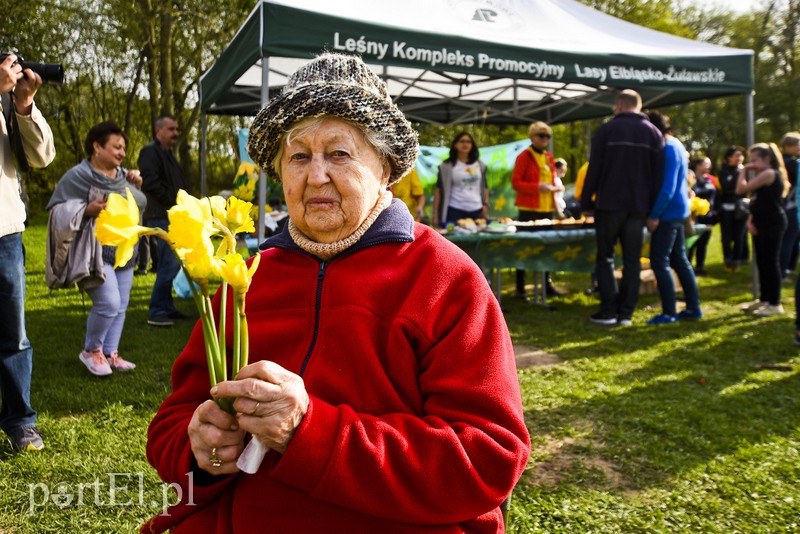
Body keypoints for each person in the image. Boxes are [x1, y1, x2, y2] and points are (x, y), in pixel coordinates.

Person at [142, 53, 530, 533]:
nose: (316, 175)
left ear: (385, 168)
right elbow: (172, 423)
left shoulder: (444, 278)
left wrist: (310, 432)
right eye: (299, 156)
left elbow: (487, 457)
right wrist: (197, 447)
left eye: (339, 154)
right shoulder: (244, 279)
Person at [47, 121, 145, 376]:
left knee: (121, 305)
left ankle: (110, 354)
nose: (122, 153)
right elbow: (56, 210)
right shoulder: (78, 176)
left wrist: (135, 186)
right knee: (109, 303)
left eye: (123, 148)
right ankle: (91, 351)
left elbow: (139, 206)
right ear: (97, 147)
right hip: (95, 253)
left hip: (125, 251)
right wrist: (86, 210)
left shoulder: (124, 176)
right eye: (116, 147)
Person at [0, 53, 55, 452]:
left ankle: (20, 422)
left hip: (4, 231)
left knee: (13, 334)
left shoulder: (7, 100)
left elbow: (41, 157)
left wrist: (22, 105)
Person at [580, 89, 664, 326]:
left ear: (619, 104)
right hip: (638, 208)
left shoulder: (607, 129)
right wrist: (653, 209)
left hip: (609, 205)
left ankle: (608, 311)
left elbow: (593, 169)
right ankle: (626, 313)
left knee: (605, 257)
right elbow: (658, 176)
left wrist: (586, 202)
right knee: (632, 260)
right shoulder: (654, 133)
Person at [644, 112, 702, 324]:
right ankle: (694, 307)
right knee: (680, 260)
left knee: (660, 261)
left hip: (667, 213)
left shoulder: (667, 149)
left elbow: (667, 188)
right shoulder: (677, 145)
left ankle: (669, 312)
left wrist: (654, 215)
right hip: (680, 210)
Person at [139, 115, 190, 326]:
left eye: (177, 129)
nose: (176, 133)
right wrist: (173, 201)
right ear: (158, 131)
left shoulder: (168, 154)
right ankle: (157, 310)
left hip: (172, 214)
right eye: (171, 129)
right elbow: (150, 182)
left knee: (172, 263)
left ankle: (166, 307)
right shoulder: (150, 152)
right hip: (161, 214)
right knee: (168, 265)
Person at [511, 121, 563, 299]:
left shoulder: (548, 156)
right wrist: (537, 187)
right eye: (541, 135)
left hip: (547, 209)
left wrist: (556, 190)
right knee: (525, 247)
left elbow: (553, 180)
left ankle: (546, 283)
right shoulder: (524, 156)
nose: (545, 139)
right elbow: (516, 183)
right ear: (532, 136)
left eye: (548, 136)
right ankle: (521, 287)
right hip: (528, 210)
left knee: (546, 247)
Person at [737, 143, 790, 317]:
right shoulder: (762, 174)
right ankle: (765, 299)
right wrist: (751, 220)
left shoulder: (769, 173)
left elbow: (741, 189)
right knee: (761, 261)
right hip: (761, 222)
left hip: (773, 222)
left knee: (770, 262)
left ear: (766, 159)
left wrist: (743, 170)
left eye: (754, 160)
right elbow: (756, 201)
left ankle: (775, 303)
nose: (751, 163)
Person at [432, 131, 488, 227]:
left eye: (468, 141)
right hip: (454, 210)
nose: (465, 144)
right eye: (462, 141)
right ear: (455, 145)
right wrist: (435, 214)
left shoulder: (480, 165)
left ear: (472, 145)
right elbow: (438, 190)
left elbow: (485, 187)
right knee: (454, 241)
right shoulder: (446, 166)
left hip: (477, 210)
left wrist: (486, 205)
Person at [716, 145, 749, 271]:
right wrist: (739, 176)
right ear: (729, 157)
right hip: (726, 208)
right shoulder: (723, 172)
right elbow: (727, 186)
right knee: (726, 236)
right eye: (736, 155)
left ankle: (737, 260)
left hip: (740, 208)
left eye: (741, 155)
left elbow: (745, 188)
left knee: (740, 235)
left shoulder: (745, 171)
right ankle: (728, 259)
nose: (739, 158)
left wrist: (742, 173)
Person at [687, 157, 718, 276]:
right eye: (706, 164)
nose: (708, 167)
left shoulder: (709, 180)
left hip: (708, 216)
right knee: (691, 242)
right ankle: (688, 267)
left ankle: (700, 266)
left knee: (703, 242)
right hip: (694, 217)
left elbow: (716, 196)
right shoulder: (690, 179)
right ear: (698, 165)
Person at [779, 132, 800, 278]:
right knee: (789, 240)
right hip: (791, 205)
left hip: (782, 205)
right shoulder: (793, 163)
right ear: (788, 146)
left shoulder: (777, 160)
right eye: (797, 144)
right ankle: (784, 270)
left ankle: (788, 268)